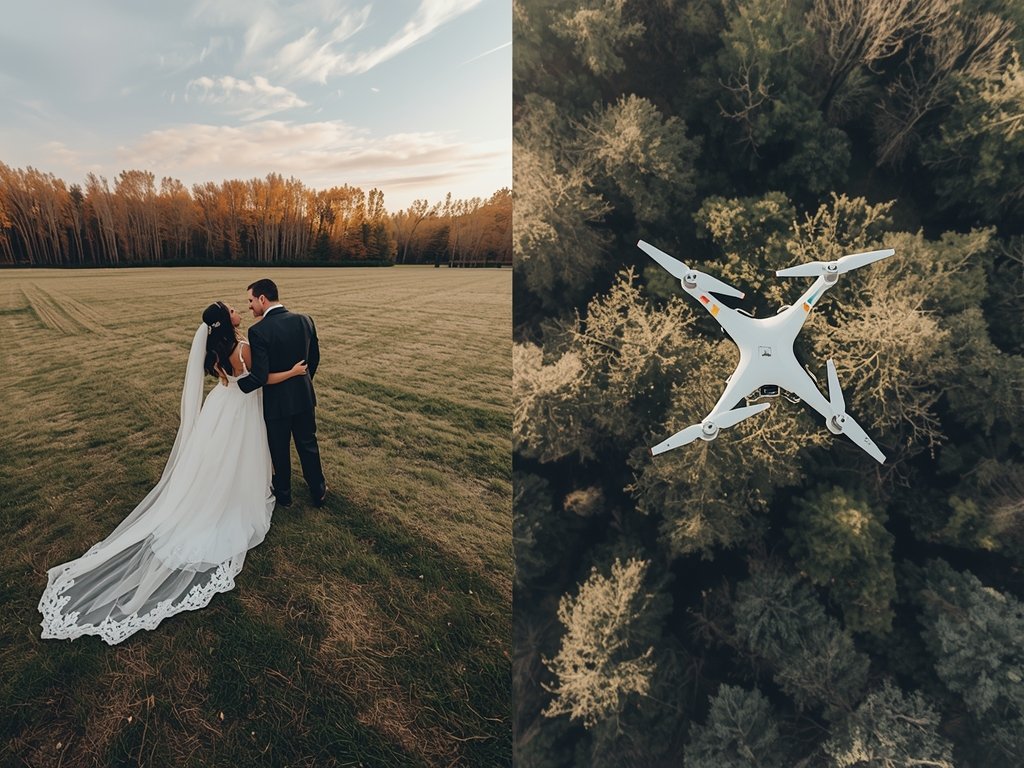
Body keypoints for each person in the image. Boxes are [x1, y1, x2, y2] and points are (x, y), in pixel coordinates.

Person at [38, 302, 307, 645]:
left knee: (214, 459)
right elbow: (259, 381)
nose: (239, 309)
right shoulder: (243, 348)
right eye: (233, 309)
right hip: (240, 410)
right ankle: (236, 495)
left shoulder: (215, 350)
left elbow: (230, 380)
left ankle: (213, 491)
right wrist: (294, 373)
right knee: (240, 454)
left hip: (219, 406)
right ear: (227, 321)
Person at [238, 279, 326, 507]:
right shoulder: (305, 320)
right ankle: (318, 490)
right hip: (304, 396)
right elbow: (314, 359)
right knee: (308, 442)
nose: (249, 306)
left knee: (279, 448)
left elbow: (259, 376)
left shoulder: (258, 331)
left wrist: (235, 389)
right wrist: (303, 382)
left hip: (277, 402)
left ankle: (284, 495)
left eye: (250, 300)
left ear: (262, 299)